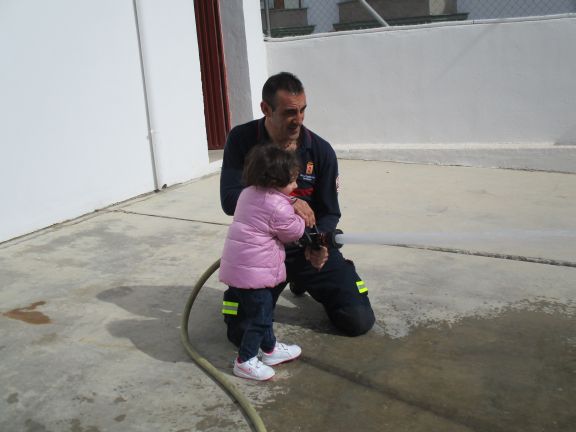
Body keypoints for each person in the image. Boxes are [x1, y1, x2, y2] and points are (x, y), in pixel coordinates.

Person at [220, 71, 375, 347]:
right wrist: (287, 200)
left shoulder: (320, 150)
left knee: (358, 320)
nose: (299, 119)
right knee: (243, 335)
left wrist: (319, 244)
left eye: (303, 110)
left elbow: (329, 212)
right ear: (266, 109)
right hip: (263, 251)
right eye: (290, 112)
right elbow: (230, 200)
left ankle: (305, 279)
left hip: (306, 247)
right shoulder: (242, 140)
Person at [219, 144, 305, 381]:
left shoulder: (248, 193)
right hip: (254, 275)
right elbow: (293, 233)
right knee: (260, 318)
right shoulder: (278, 206)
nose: (296, 186)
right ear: (276, 181)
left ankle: (270, 349)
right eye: (292, 181)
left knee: (263, 312)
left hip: (241, 270)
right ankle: (245, 361)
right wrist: (300, 218)